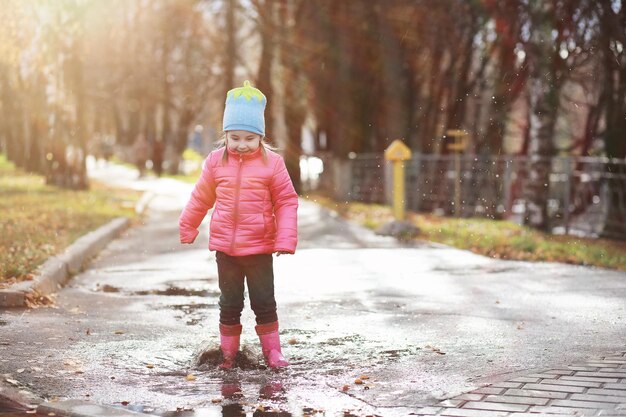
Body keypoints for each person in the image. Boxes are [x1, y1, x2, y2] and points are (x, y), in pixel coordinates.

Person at [179, 80, 298, 369]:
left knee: (264, 303)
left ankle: (273, 353)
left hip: (259, 249)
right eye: (234, 138)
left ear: (260, 137)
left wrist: (285, 238)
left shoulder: (273, 164)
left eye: (249, 138)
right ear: (225, 136)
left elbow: (286, 201)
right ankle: (228, 354)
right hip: (226, 251)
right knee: (229, 304)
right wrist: (188, 224)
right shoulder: (215, 163)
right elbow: (201, 197)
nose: (241, 145)